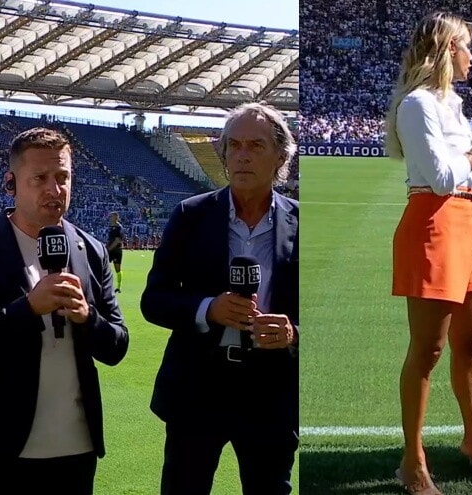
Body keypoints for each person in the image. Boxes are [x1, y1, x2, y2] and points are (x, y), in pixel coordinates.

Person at [0, 127, 129, 495]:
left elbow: (117, 346)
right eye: (40, 178)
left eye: (63, 177)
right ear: (11, 183)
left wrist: (87, 316)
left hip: (76, 449)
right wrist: (27, 308)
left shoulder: (91, 250)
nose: (54, 189)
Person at [384, 12, 472, 493]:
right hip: (432, 225)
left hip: (463, 224)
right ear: (446, 50)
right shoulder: (417, 104)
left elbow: (465, 175)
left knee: (471, 344)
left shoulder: (454, 103)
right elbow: (441, 179)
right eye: (465, 46)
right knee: (429, 349)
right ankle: (412, 461)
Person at [140, 101, 299, 495]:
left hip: (271, 393)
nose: (242, 155)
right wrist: (207, 309)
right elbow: (154, 299)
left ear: (281, 157)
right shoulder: (190, 215)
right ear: (224, 155)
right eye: (234, 146)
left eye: (256, 146)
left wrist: (293, 333)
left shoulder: (303, 221)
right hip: (198, 389)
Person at [106, 212, 124, 293]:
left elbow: (117, 240)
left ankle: (118, 287)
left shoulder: (119, 228)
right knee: (104, 266)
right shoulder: (111, 227)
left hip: (116, 250)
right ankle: (106, 285)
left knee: (117, 269)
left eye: (112, 216)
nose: (110, 218)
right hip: (110, 249)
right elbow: (110, 239)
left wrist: (109, 249)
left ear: (116, 218)